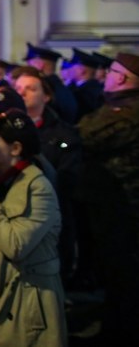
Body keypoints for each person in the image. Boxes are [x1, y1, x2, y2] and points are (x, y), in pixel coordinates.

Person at [0, 109, 67, 346]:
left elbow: (15, 244)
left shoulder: (37, 186)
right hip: (8, 299)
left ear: (15, 149)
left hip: (30, 304)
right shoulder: (2, 181)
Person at [76, 51, 139, 343]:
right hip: (110, 207)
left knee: (123, 276)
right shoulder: (116, 106)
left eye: (111, 72)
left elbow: (86, 134)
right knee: (113, 274)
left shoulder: (129, 113)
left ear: (124, 79)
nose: (104, 76)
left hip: (126, 209)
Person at [12, 65, 82, 283]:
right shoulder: (4, 131)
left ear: (47, 96)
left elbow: (66, 183)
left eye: (30, 88)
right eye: (18, 88)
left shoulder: (63, 134)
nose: (21, 93)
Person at [24, 43, 78, 124]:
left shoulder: (47, 89)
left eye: (30, 64)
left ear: (39, 65)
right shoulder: (59, 87)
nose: (27, 69)